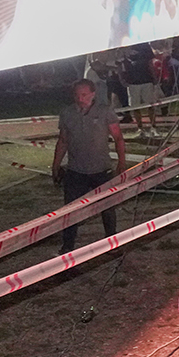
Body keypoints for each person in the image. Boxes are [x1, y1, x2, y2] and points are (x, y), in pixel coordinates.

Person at [52, 77, 127, 252]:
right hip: (76, 170)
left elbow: (118, 138)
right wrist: (56, 165)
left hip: (101, 169)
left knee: (107, 209)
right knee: (70, 211)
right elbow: (63, 140)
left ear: (93, 94)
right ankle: (67, 246)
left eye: (84, 95)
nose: (80, 99)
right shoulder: (67, 113)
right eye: (77, 95)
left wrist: (121, 162)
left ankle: (111, 242)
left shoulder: (105, 112)